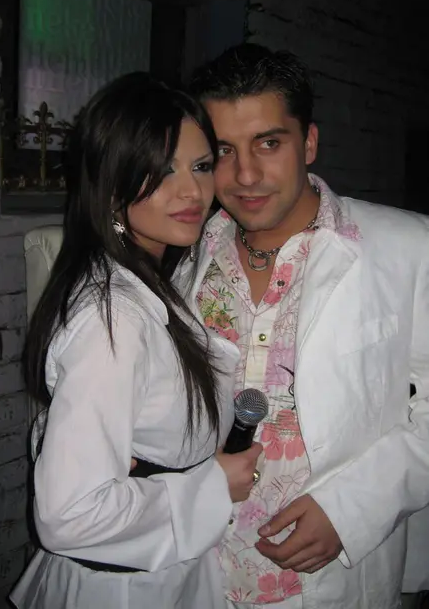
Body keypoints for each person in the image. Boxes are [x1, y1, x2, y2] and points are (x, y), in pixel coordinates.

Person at [176, 44, 429, 608]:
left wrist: (351, 509)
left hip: (327, 580)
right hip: (200, 573)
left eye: (269, 143)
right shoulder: (188, 259)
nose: (245, 175)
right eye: (223, 150)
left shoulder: (407, 247)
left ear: (309, 143)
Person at [9, 72, 262, 609]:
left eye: (200, 166)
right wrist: (212, 486)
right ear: (112, 183)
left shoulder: (151, 277)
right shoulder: (115, 319)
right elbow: (68, 515)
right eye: (162, 170)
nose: (192, 191)